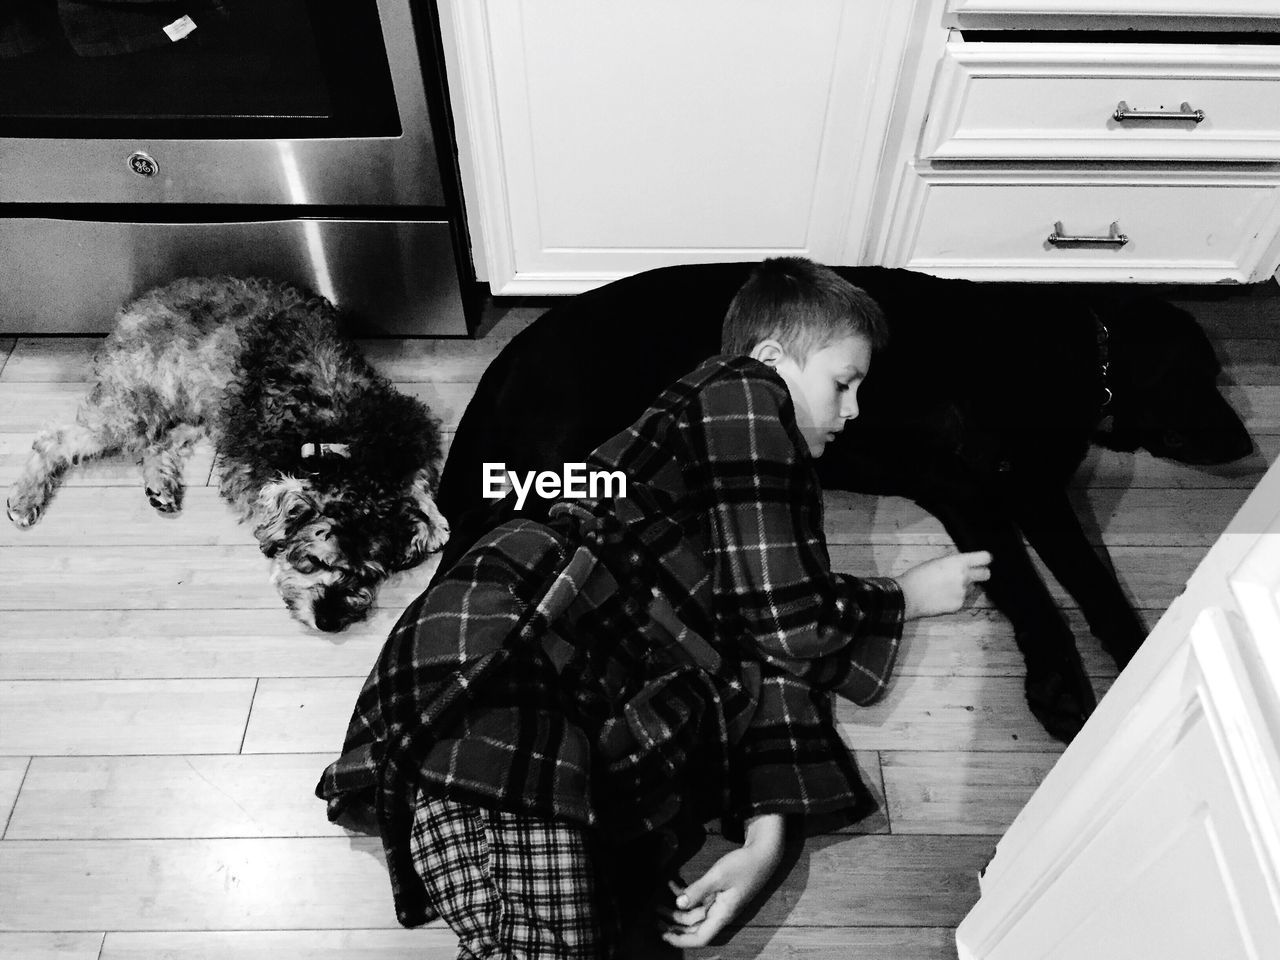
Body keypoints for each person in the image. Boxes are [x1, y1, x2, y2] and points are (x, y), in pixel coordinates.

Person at [316, 256, 991, 957]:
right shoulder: (740, 389)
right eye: (843, 383)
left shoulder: (742, 527)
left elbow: (767, 650)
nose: (853, 414)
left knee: (606, 937)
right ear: (771, 358)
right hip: (505, 660)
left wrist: (768, 839)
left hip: (566, 733)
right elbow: (789, 621)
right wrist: (902, 596)